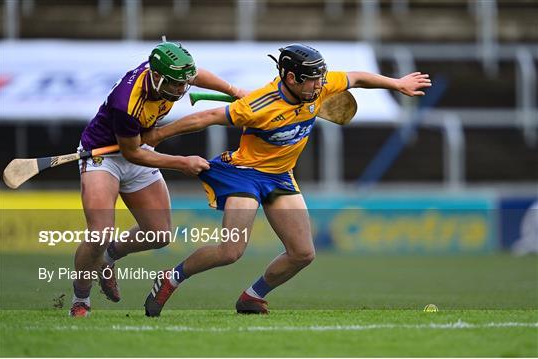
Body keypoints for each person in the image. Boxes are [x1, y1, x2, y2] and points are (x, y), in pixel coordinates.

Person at [141, 43, 432, 316]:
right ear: (291, 77)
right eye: (312, 79)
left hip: (280, 177)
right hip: (244, 175)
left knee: (303, 253)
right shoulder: (259, 106)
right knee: (230, 251)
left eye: (321, 78)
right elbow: (207, 117)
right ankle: (171, 277)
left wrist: (397, 84)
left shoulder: (320, 87)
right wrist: (157, 135)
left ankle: (252, 297)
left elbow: (356, 78)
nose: (320, 85)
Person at [69, 39, 247, 317]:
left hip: (138, 148)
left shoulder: (169, 72)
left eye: (182, 83)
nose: (180, 90)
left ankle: (107, 258)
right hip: (104, 157)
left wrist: (235, 91)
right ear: (155, 76)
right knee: (99, 233)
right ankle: (81, 299)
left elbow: (195, 74)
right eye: (174, 84)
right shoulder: (126, 103)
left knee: (160, 233)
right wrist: (181, 163)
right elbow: (132, 154)